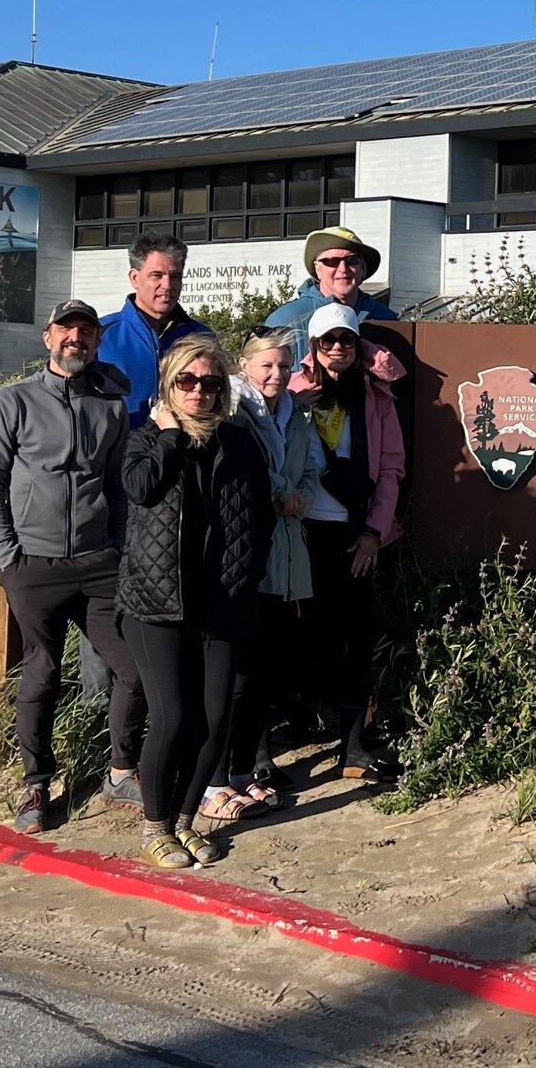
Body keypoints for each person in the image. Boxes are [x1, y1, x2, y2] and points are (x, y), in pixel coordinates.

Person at [0, 298, 145, 835]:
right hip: (34, 563)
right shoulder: (13, 400)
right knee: (43, 673)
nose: (77, 339)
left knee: (133, 669)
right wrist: (7, 555)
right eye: (67, 331)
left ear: (97, 340)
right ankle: (36, 784)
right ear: (48, 337)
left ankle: (121, 771)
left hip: (98, 566)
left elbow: (117, 487)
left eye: (87, 332)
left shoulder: (111, 405)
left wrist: (118, 548)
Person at [118, 336, 274, 869]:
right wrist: (167, 437)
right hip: (156, 604)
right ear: (169, 385)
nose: (200, 392)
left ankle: (184, 821)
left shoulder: (240, 443)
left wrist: (247, 575)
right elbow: (140, 489)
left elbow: (261, 516)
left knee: (215, 719)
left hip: (222, 602)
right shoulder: (145, 440)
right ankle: (154, 826)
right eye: (188, 382)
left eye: (211, 383)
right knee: (172, 715)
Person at [210, 328, 326, 812]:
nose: (276, 374)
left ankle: (245, 768)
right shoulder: (234, 415)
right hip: (243, 557)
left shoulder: (296, 416)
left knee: (265, 671)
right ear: (245, 366)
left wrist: (299, 495)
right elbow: (243, 471)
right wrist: (280, 490)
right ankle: (217, 778)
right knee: (232, 674)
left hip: (287, 554)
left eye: (283, 365)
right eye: (267, 366)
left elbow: (312, 471)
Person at [289, 303, 406, 780]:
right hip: (302, 532)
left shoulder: (376, 397)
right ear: (313, 349)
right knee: (302, 635)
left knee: (358, 637)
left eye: (346, 340)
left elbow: (392, 468)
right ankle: (292, 730)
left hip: (357, 532)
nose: (337, 348)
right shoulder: (294, 393)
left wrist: (373, 534)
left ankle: (353, 746)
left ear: (359, 347)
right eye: (327, 341)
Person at [100, 233, 213, 429]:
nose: (167, 285)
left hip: (187, 455)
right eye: (157, 275)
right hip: (120, 456)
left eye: (175, 276)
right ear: (135, 278)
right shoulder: (101, 336)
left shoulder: (203, 337)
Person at [265, 227, 398, 364]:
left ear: (362, 268)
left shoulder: (387, 320)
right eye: (331, 261)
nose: (343, 269)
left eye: (352, 260)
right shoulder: (286, 320)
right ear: (318, 269)